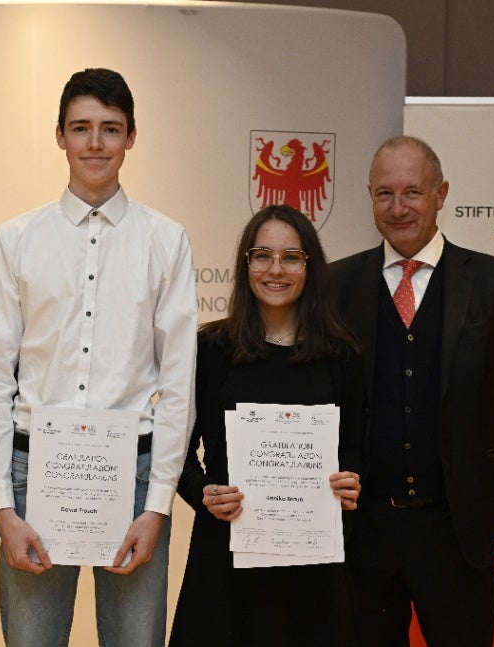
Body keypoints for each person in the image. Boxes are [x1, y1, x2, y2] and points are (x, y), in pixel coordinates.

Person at [0, 68, 198, 646]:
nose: (95, 144)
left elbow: (178, 383)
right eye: (81, 129)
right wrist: (2, 507)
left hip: (135, 477)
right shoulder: (16, 239)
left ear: (131, 137)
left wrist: (157, 508)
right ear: (59, 136)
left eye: (110, 129)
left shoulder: (166, 240)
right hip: (32, 476)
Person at [330, 135, 494, 646]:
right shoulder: (336, 284)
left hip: (458, 532)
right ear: (369, 196)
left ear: (441, 193)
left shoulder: (493, 282)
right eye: (384, 194)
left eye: (412, 192)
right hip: (364, 534)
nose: (398, 208)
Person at [169, 204, 365, 647]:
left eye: (291, 257)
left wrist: (352, 480)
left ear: (310, 267)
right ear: (246, 264)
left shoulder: (342, 354)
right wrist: (204, 493)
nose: (276, 269)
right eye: (262, 255)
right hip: (227, 558)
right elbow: (176, 457)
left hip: (312, 563)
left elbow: (354, 448)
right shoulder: (211, 349)